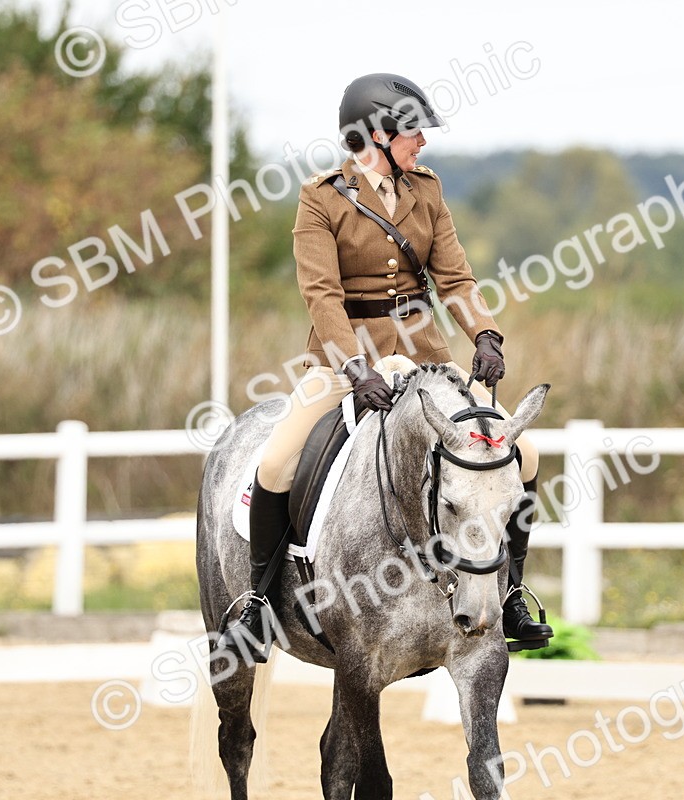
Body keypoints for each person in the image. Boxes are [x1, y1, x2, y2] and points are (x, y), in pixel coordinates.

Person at [215, 73, 549, 661]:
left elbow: (455, 277)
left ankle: (512, 590)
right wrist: (353, 366)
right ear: (378, 132)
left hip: (425, 355)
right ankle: (258, 602)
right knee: (274, 462)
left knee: (527, 454)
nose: (422, 142)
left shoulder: (427, 189)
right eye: (413, 130)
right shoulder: (321, 198)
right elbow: (321, 295)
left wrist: (485, 333)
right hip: (347, 357)